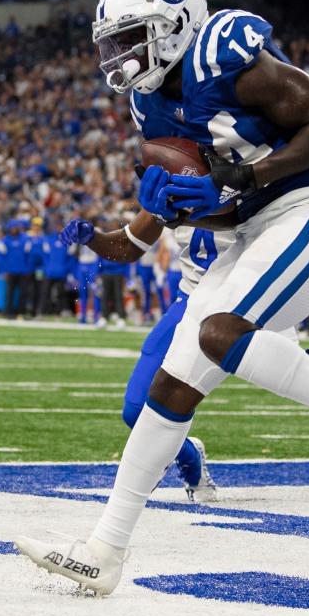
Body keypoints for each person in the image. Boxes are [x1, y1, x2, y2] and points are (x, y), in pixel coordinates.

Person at [16, 0, 309, 595]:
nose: (121, 56)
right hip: (252, 227)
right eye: (113, 42)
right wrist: (181, 199)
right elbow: (219, 205)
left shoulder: (224, 51)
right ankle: (105, 550)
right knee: (171, 384)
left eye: (132, 38)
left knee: (216, 331)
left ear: (177, 25)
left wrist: (244, 178)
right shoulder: (150, 103)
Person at [60, 213, 226, 501]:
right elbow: (129, 245)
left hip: (248, 306)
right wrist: (93, 238)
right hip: (190, 304)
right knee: (137, 409)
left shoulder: (256, 177)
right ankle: (189, 458)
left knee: (308, 386)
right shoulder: (174, 183)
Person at [0, 219, 33, 319]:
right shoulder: (4, 241)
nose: (14, 229)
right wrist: (3, 271)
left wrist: (28, 269)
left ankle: (21, 312)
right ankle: (8, 312)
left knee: (23, 293)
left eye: (15, 227)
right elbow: (0, 258)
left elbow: (29, 256)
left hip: (23, 271)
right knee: (9, 293)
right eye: (12, 227)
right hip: (10, 272)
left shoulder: (25, 239)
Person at [39, 223, 74, 316]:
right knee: (45, 292)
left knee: (61, 294)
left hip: (62, 272)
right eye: (57, 226)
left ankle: (59, 311)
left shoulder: (68, 241)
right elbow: (44, 256)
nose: (59, 228)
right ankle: (44, 311)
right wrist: (46, 268)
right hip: (49, 272)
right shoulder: (48, 240)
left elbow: (71, 258)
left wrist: (66, 269)